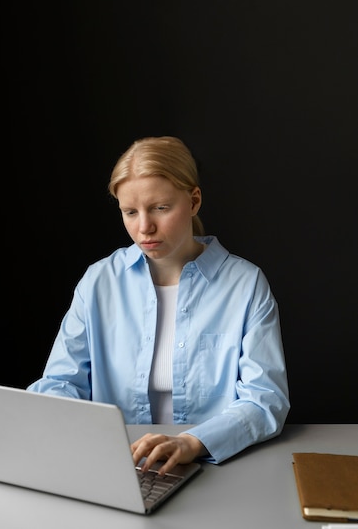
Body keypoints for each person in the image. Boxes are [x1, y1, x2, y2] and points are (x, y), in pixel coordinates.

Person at [27, 135, 290, 475]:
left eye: (160, 208)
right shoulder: (99, 281)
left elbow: (265, 399)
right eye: (130, 212)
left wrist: (191, 443)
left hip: (216, 468)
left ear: (194, 201)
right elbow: (61, 382)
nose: (143, 228)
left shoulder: (246, 284)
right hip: (117, 466)